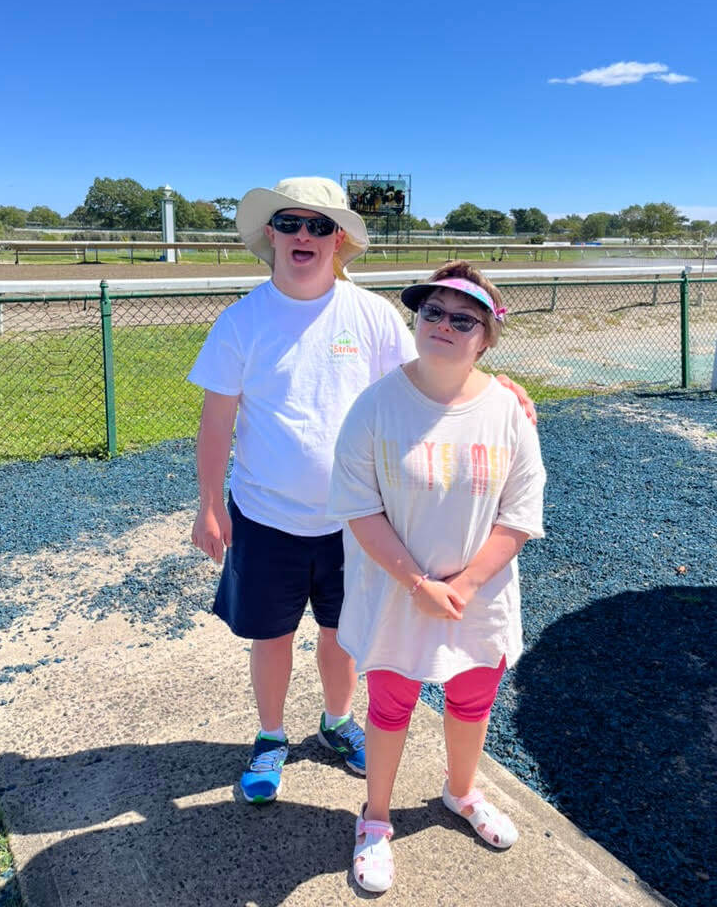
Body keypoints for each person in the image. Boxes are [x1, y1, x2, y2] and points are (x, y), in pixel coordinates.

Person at [188, 178, 534, 807]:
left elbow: (426, 375)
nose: (304, 235)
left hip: (362, 520)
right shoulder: (241, 321)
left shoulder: (371, 314)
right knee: (271, 634)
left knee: (343, 632)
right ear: (271, 232)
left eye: (320, 226)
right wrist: (211, 505)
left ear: (340, 240)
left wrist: (498, 383)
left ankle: (337, 721)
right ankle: (271, 736)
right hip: (266, 513)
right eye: (291, 223)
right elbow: (217, 423)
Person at [326, 261, 546, 893]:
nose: (443, 325)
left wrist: (467, 585)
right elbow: (359, 505)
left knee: (472, 698)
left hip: (478, 601)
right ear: (415, 320)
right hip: (397, 597)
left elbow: (520, 513)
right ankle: (374, 819)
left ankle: (461, 792)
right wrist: (417, 583)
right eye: (431, 312)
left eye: (463, 318)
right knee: (390, 705)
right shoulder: (375, 406)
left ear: (486, 337)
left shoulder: (508, 412)